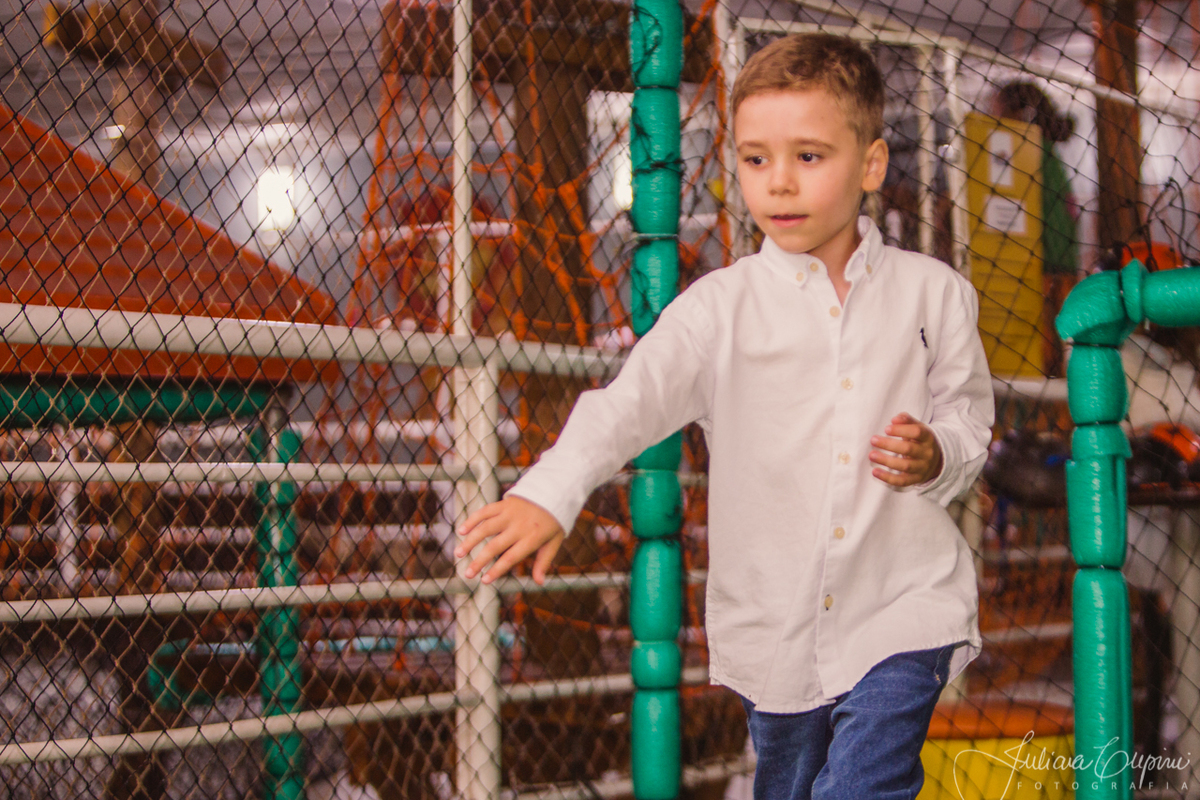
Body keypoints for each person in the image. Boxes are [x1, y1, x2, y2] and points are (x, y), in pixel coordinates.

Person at [456, 32, 994, 800]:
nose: (779, 182)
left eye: (809, 156)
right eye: (755, 159)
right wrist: (551, 490)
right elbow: (627, 404)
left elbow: (970, 422)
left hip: (904, 603)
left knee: (861, 786)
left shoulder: (935, 294)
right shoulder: (718, 310)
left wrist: (938, 452)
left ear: (871, 164)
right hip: (775, 630)